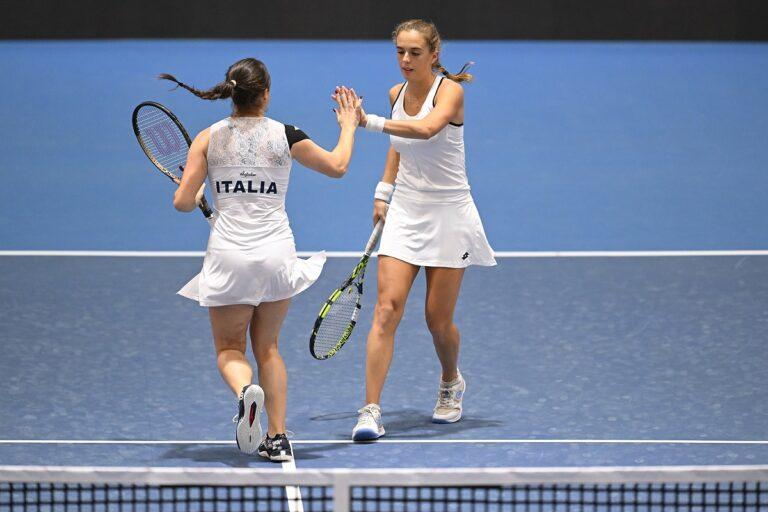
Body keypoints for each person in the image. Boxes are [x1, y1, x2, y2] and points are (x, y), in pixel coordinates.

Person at [162, 58, 361, 460]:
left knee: (230, 350)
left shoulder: (208, 137)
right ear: (266, 94)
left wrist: (198, 194)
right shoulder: (287, 135)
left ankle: (244, 392)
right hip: (276, 256)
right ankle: (278, 436)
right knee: (268, 347)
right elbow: (338, 166)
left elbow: (183, 202)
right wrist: (349, 126)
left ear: (230, 93)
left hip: (229, 257)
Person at [337, 19, 496, 441]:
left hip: (449, 214)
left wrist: (364, 121)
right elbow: (399, 149)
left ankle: (450, 382)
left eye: (414, 53)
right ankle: (370, 410)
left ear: (434, 54)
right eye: (400, 53)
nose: (405, 61)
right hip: (406, 210)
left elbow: (424, 130)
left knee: (437, 320)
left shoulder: (452, 93)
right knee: (386, 310)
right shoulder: (396, 94)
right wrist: (383, 192)